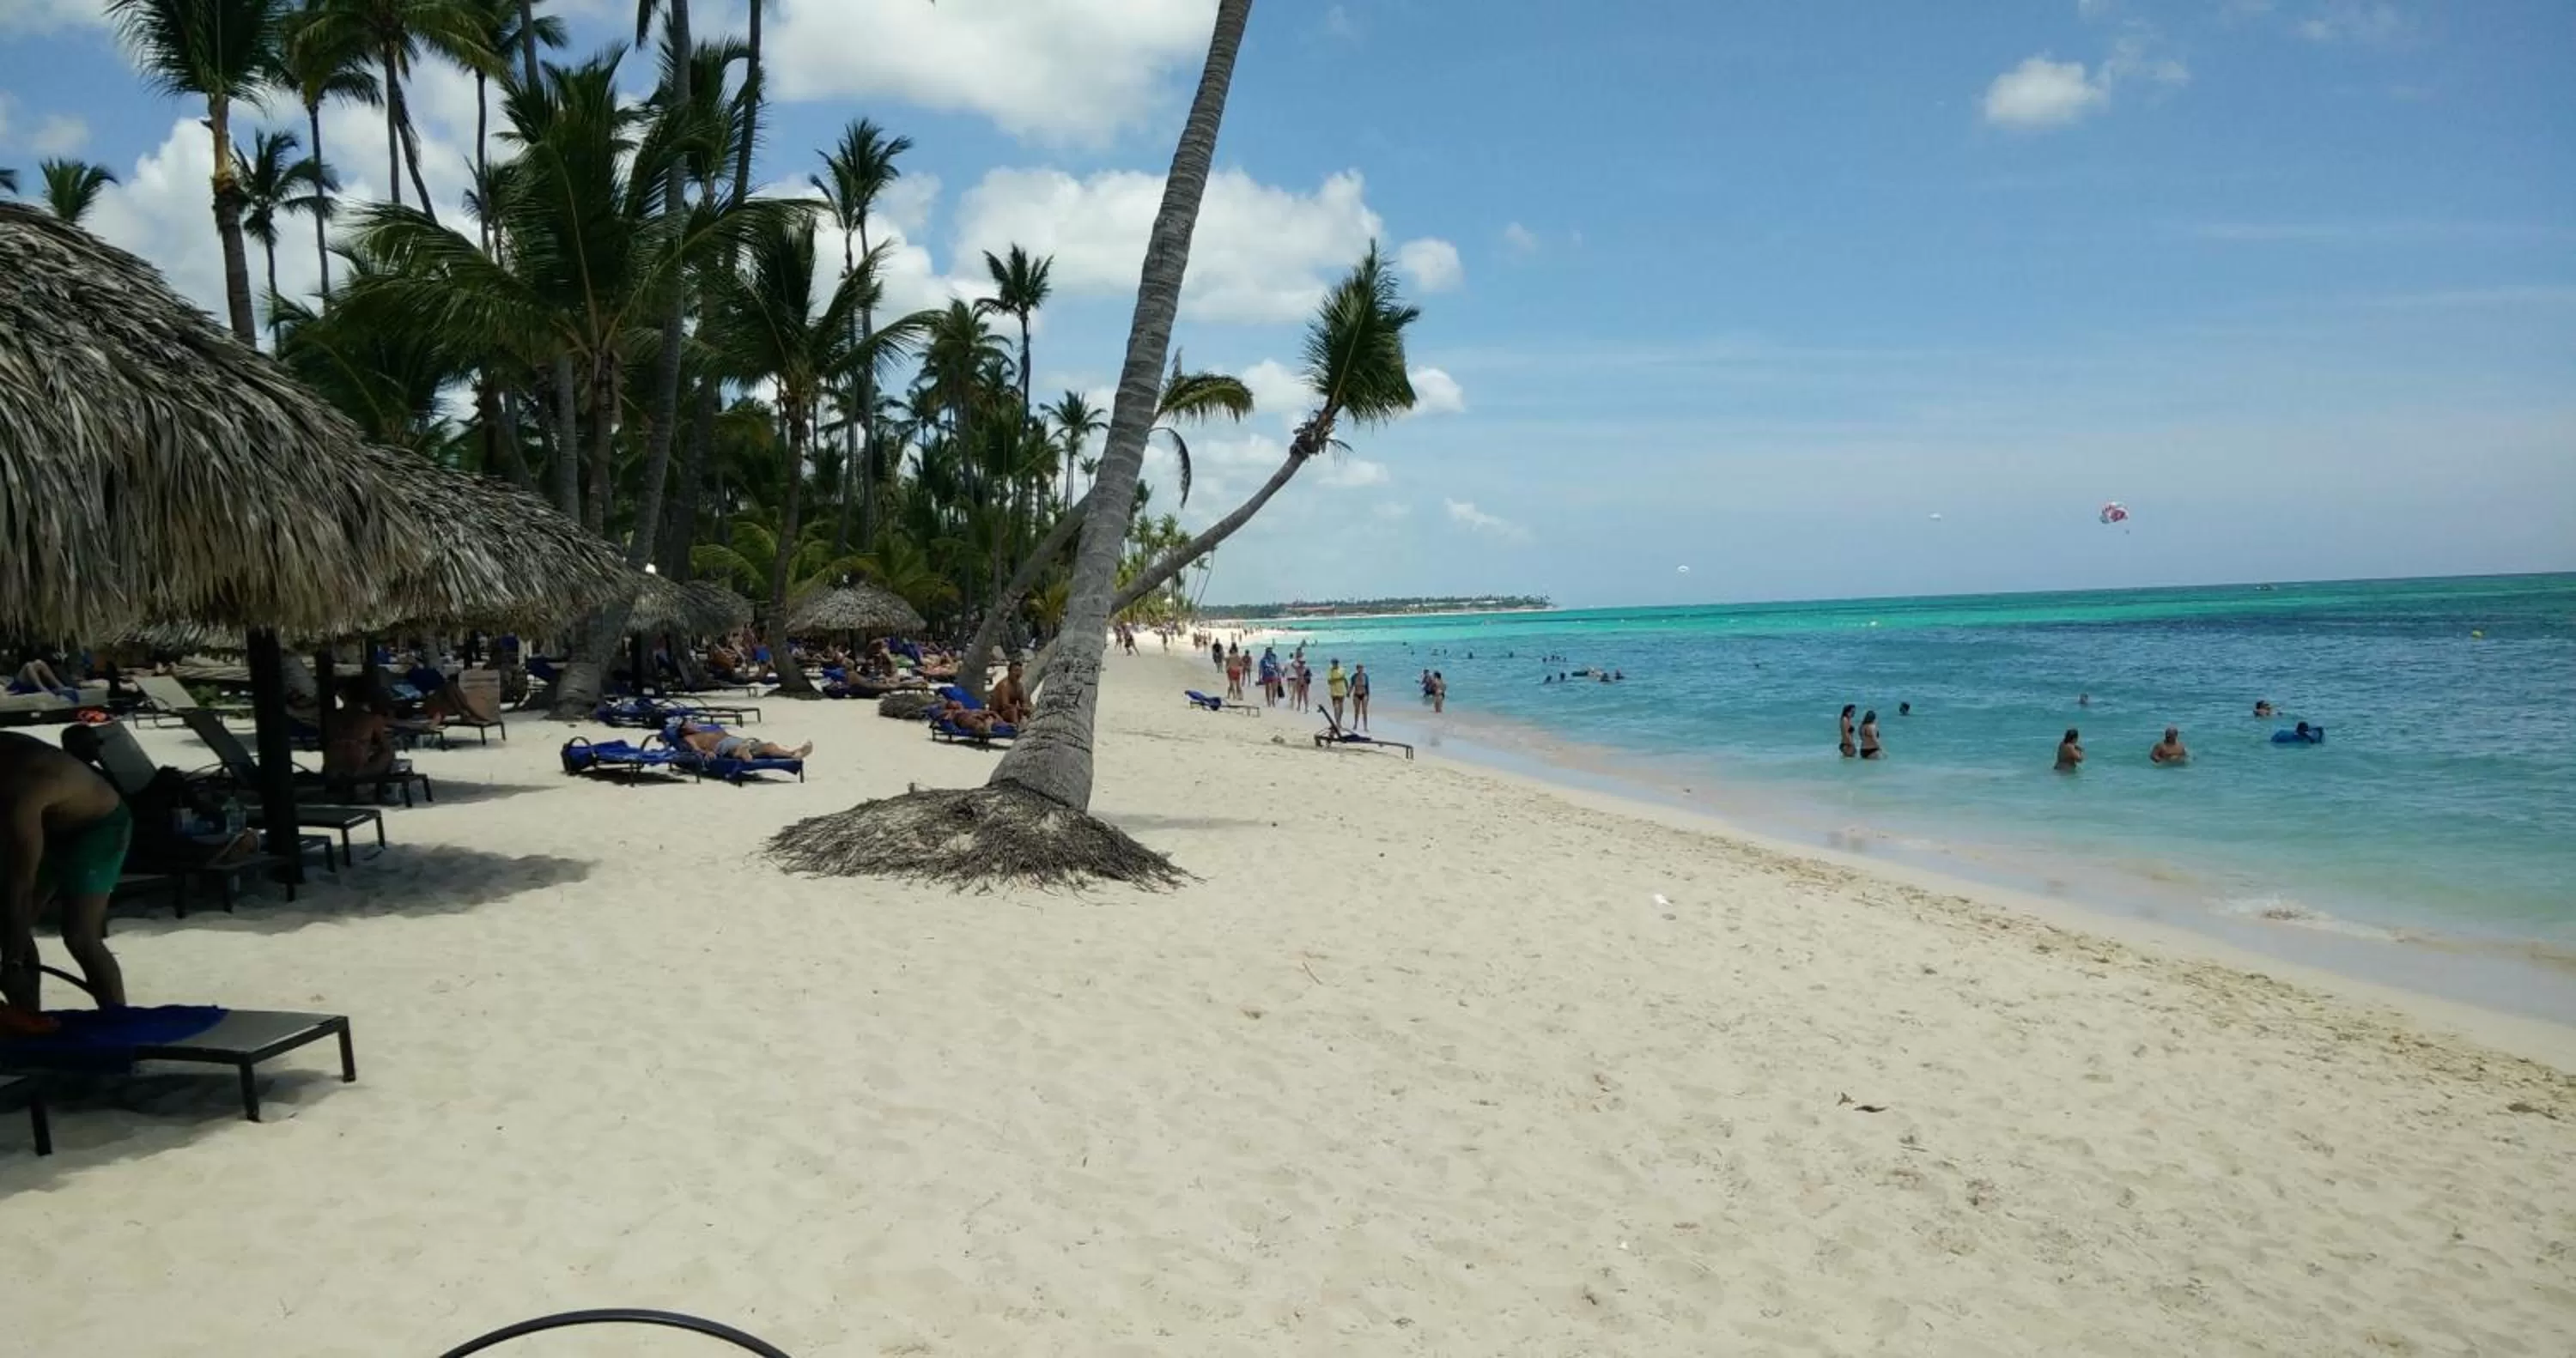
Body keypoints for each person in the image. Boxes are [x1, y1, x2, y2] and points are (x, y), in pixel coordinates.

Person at [2, 731, 132, 1030]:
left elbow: (20, 883)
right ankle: (28, 1016)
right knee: (12, 924)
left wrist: (11, 961)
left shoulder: (23, 788)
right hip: (50, 821)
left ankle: (119, 1023)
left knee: (79, 934)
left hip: (98, 826)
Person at [675, 719, 812, 761]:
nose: (694, 724)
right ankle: (743, 754)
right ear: (685, 729)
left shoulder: (708, 728)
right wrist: (706, 753)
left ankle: (794, 753)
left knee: (769, 746)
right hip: (722, 747)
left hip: (736, 740)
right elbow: (696, 749)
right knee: (736, 750)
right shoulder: (689, 737)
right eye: (689, 723)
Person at [988, 659, 1032, 726]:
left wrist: (1025, 707)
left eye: (1020, 671)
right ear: (1009, 672)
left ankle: (1031, 726)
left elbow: (1022, 702)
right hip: (997, 714)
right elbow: (1005, 705)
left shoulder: (1019, 686)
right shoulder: (1004, 685)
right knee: (1013, 710)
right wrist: (1020, 708)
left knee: (1028, 710)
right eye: (1015, 671)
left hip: (1010, 712)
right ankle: (1016, 728)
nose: (1018, 673)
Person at [1350, 664, 1372, 730]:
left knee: (1364, 710)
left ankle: (1365, 727)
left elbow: (1367, 686)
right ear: (1357, 669)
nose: (1360, 669)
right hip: (1356, 695)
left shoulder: (1365, 676)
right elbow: (1352, 685)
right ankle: (1355, 724)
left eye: (1361, 668)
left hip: (1364, 694)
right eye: (1359, 668)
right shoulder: (1354, 676)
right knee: (1357, 710)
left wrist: (1368, 696)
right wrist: (1349, 692)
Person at [1327, 660, 1349, 724]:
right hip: (1334, 692)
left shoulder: (1342, 669)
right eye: (1333, 663)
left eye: (1336, 663)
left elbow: (1345, 680)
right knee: (1336, 708)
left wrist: (1348, 690)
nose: (1335, 664)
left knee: (1341, 710)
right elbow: (1329, 682)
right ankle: (1337, 723)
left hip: (1342, 691)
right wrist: (1339, 679)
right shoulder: (1330, 671)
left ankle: (1339, 722)